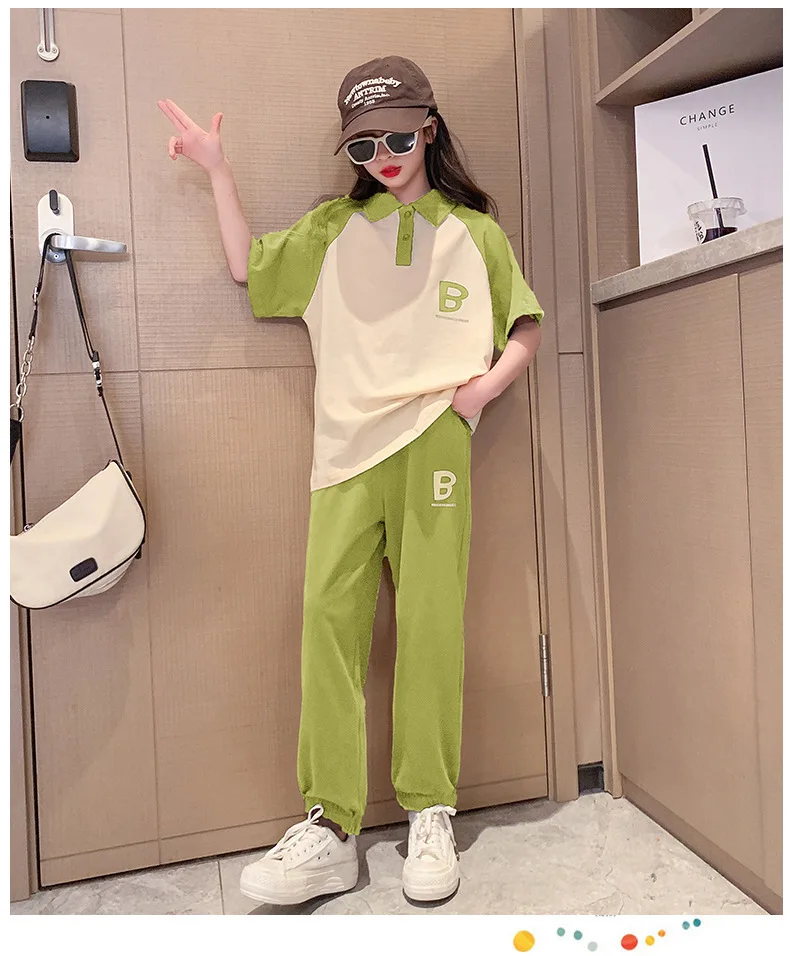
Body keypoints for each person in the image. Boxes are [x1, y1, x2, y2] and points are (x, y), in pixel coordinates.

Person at [158, 54, 543, 907]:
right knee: (327, 627)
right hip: (343, 453)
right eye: (365, 146)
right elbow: (247, 271)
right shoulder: (332, 228)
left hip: (433, 445)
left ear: (430, 129)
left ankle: (430, 811)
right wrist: (218, 172)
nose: (384, 157)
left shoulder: (475, 233)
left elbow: (526, 325)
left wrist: (475, 397)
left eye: (399, 138)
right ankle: (331, 826)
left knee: (431, 626)